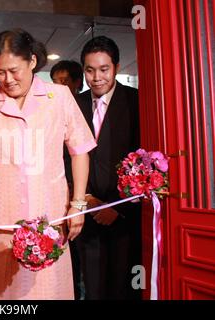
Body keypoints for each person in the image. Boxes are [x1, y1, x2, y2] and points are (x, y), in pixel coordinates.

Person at [0, 28, 96, 299]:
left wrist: (78, 203)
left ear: (32, 61)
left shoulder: (58, 97)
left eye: (14, 70)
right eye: (0, 72)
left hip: (47, 213)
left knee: (47, 288)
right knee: (1, 290)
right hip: (0, 214)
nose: (8, 79)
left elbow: (80, 150)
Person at [74, 36, 141, 300]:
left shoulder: (137, 101)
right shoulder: (75, 105)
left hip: (125, 217)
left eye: (104, 69)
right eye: (89, 70)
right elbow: (67, 157)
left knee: (123, 289)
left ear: (116, 67)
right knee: (93, 289)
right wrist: (86, 199)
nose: (96, 77)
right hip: (88, 215)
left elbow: (144, 158)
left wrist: (119, 207)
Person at [50, 60, 85, 300]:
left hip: (86, 196)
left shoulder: (81, 107)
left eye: (64, 82)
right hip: (62, 197)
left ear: (77, 83)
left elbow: (85, 153)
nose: (59, 87)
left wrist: (82, 196)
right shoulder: (50, 108)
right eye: (55, 83)